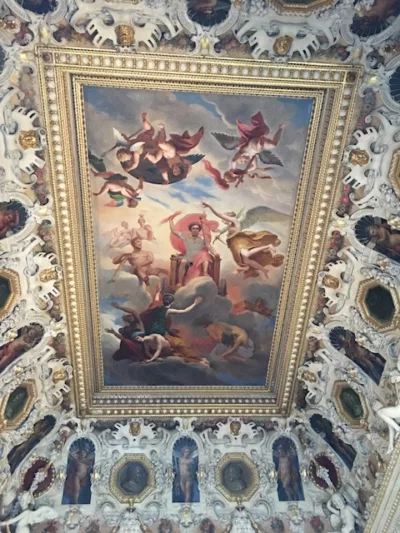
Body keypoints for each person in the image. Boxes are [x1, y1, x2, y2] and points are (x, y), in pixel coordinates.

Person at [202, 201, 283, 278]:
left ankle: (268, 246)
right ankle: (264, 270)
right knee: (247, 261)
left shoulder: (235, 221)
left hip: (240, 241)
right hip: (235, 243)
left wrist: (209, 206)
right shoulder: (229, 226)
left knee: (246, 255)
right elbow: (228, 238)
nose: (222, 219)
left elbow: (219, 215)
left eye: (224, 217)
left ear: (228, 217)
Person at [169, 214, 217, 286]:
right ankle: (180, 282)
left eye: (197, 228)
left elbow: (209, 246)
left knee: (204, 254)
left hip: (199, 257)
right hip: (188, 257)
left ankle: (205, 273)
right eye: (193, 228)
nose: (195, 230)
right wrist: (170, 221)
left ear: (199, 230)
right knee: (183, 261)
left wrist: (216, 254)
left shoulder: (202, 239)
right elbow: (174, 231)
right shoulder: (186, 237)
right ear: (190, 229)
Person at [135, 332, 209, 366]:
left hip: (173, 342)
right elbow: (147, 352)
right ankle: (199, 362)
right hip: (168, 350)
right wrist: (152, 359)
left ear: (141, 337)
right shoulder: (146, 343)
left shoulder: (156, 337)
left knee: (186, 351)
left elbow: (158, 350)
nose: (139, 340)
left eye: (138, 338)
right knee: (181, 358)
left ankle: (201, 359)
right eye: (137, 340)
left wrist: (151, 359)